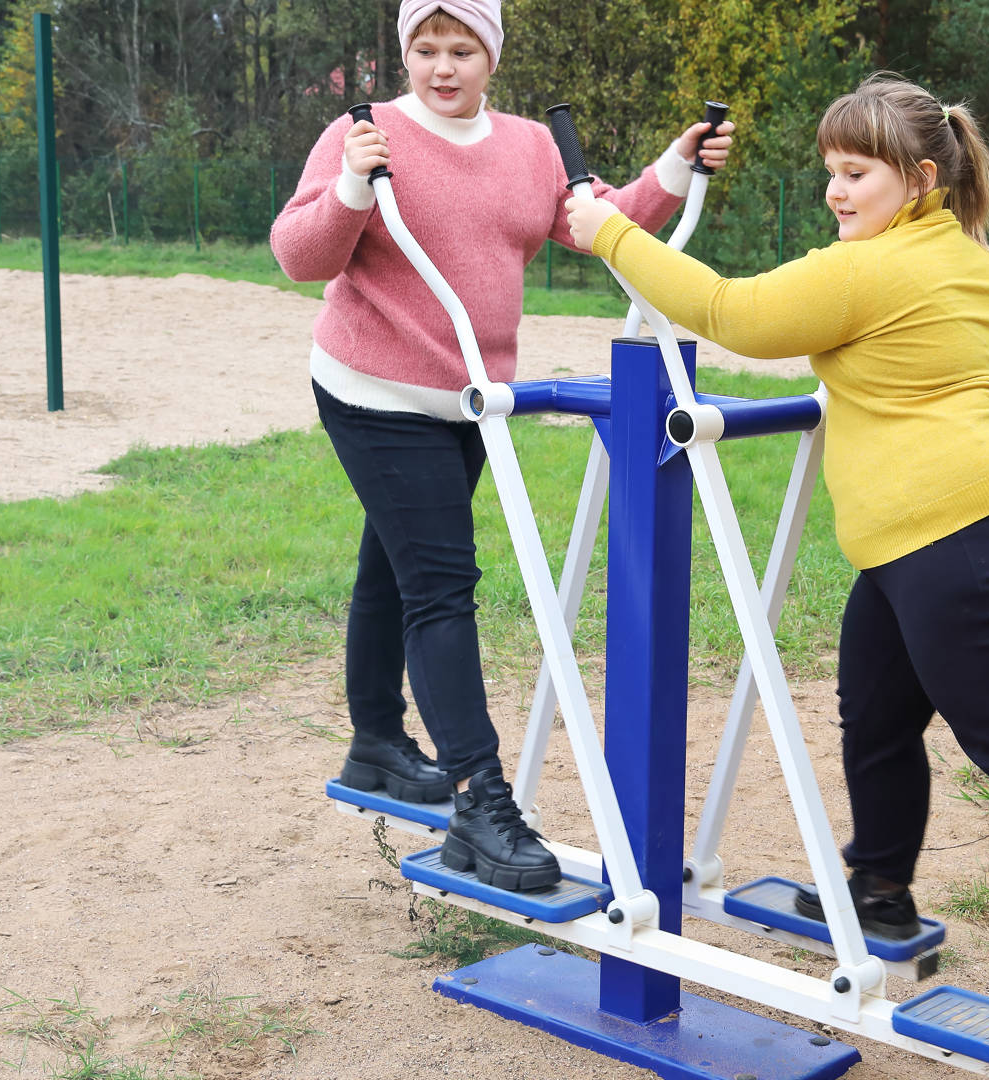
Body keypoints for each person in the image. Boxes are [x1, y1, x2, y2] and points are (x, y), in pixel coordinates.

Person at [564, 74, 989, 1059]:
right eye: (832, 173)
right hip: (940, 538)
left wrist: (607, 229)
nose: (838, 192)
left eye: (859, 173)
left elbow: (734, 313)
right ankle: (878, 887)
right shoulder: (962, 254)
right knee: (876, 712)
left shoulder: (881, 268)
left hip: (960, 539)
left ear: (921, 177)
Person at [270, 0, 735, 893]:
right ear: (406, 53)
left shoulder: (527, 145)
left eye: (463, 49)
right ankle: (482, 800)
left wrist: (675, 166)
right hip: (372, 391)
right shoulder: (364, 134)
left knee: (398, 560)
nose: (443, 67)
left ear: (491, 57)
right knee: (441, 583)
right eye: (426, 49)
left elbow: (600, 222)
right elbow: (299, 256)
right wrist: (351, 190)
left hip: (469, 398)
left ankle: (374, 740)